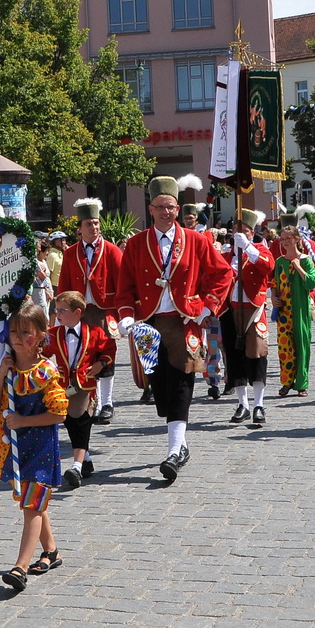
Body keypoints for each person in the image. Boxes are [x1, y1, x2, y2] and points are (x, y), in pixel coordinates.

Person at [114, 175, 234, 482]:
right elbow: (124, 286)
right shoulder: (138, 244)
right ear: (150, 209)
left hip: (185, 321)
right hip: (149, 324)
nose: (166, 212)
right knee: (161, 389)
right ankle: (179, 442)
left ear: (177, 208)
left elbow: (222, 274)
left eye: (171, 207)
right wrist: (125, 315)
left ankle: (174, 450)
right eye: (160, 207)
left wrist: (207, 307)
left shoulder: (196, 240)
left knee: (182, 381)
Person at [0, 302, 70, 595]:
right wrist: (0, 375)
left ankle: (20, 567)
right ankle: (51, 550)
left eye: (26, 332)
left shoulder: (46, 371)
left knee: (32, 504)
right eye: (13, 331)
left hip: (41, 448)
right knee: (32, 502)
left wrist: (24, 420)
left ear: (42, 335)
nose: (19, 337)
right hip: (15, 445)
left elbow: (59, 414)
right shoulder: (8, 367)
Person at [59, 199, 123, 424]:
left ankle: (107, 402)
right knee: (83, 358)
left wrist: (120, 313)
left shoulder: (113, 251)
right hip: (79, 311)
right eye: (89, 224)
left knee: (106, 356)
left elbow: (123, 284)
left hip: (104, 309)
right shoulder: (70, 254)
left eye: (96, 223)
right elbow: (64, 286)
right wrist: (63, 313)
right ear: (80, 227)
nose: (94, 227)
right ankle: (89, 402)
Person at [45, 291, 113, 488]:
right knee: (69, 422)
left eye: (62, 310)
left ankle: (76, 466)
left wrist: (101, 363)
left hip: (85, 384)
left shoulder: (95, 332)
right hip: (63, 385)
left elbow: (109, 349)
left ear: (77, 312)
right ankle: (86, 460)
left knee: (82, 420)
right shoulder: (54, 334)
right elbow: (42, 353)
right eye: (56, 310)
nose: (57, 314)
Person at [221, 208, 273, 426]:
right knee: (234, 357)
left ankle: (259, 404)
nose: (240, 234)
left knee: (257, 354)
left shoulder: (260, 249)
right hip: (231, 310)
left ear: (252, 232)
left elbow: (267, 267)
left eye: (245, 231)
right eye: (236, 230)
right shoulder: (226, 255)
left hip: (253, 309)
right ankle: (242, 404)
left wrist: (249, 248)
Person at [272, 216, 315, 397]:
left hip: (300, 309)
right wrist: (274, 298)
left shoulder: (306, 260)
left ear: (297, 239)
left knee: (302, 346)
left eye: (288, 239)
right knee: (285, 347)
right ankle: (286, 382)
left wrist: (299, 267)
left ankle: (301, 383)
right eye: (282, 239)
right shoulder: (279, 262)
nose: (284, 242)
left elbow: (312, 283)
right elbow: (275, 284)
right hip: (284, 311)